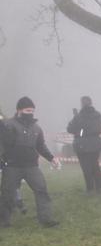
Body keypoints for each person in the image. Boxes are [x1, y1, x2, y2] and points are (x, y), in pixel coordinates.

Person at [0, 96, 61, 228]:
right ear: (19, 110)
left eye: (32, 111)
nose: (30, 113)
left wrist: (51, 158)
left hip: (32, 166)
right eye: (28, 110)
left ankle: (46, 219)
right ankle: (4, 221)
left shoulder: (37, 128)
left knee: (41, 191)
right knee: (7, 194)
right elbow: (4, 144)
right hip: (11, 166)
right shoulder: (7, 125)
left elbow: (41, 146)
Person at [66, 95, 101, 194]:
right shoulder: (98, 115)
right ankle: (99, 188)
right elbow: (99, 129)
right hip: (96, 145)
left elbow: (70, 128)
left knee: (86, 168)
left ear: (82, 104)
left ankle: (90, 189)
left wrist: (80, 132)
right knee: (95, 166)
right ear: (91, 103)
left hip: (82, 145)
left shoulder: (78, 116)